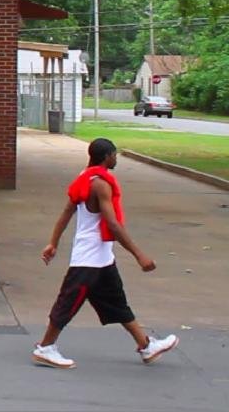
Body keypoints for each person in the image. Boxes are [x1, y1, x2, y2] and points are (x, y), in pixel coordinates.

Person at [32, 137, 178, 369]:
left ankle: (146, 345)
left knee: (117, 302)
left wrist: (53, 242)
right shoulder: (100, 184)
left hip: (102, 258)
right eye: (114, 154)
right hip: (88, 258)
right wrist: (138, 254)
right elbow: (112, 224)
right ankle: (45, 348)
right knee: (67, 302)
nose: (116, 158)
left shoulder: (84, 177)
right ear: (107, 156)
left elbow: (67, 212)